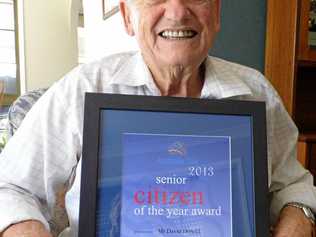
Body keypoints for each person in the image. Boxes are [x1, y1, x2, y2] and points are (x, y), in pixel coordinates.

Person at [0, 0, 315, 236]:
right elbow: (10, 187)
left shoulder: (255, 91)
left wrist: (298, 217)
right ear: (127, 16)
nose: (177, 12)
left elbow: (294, 184)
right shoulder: (82, 87)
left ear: (216, 13)